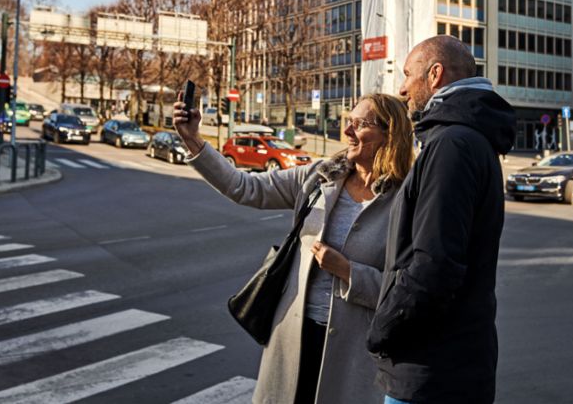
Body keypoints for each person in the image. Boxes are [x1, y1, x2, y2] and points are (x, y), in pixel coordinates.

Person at [173, 93, 414, 404]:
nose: (347, 132)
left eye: (360, 124)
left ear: (389, 134)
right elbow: (246, 188)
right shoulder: (319, 176)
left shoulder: (406, 200)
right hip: (293, 339)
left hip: (354, 352)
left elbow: (407, 290)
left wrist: (349, 272)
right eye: (348, 122)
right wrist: (194, 141)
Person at [367, 36, 516, 404]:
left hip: (430, 370)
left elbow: (435, 264)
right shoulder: (466, 138)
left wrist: (384, 328)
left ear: (434, 75)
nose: (401, 88)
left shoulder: (451, 144)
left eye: (407, 75)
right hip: (449, 363)